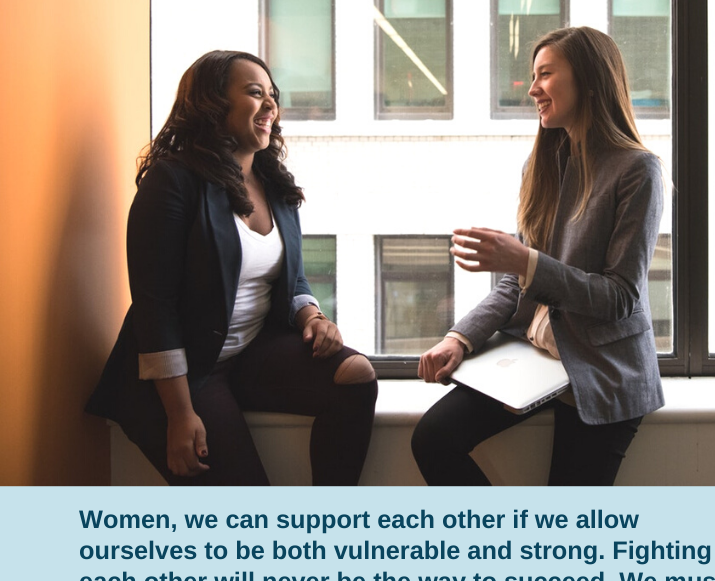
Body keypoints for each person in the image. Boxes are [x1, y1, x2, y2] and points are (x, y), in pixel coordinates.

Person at [86, 50, 377, 486]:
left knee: (356, 376)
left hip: (246, 354)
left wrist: (312, 315)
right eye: (255, 93)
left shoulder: (273, 183)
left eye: (273, 96)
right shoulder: (172, 181)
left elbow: (290, 276)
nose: (270, 105)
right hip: (182, 376)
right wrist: (180, 415)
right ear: (212, 104)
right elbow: (155, 307)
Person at [412, 27, 665, 486]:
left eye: (545, 75)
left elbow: (620, 297)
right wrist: (459, 338)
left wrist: (525, 262)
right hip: (537, 356)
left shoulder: (637, 170)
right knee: (432, 438)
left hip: (602, 369)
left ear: (589, 80)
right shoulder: (542, 165)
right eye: (533, 76)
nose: (532, 89)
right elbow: (516, 283)